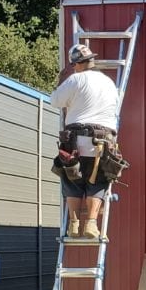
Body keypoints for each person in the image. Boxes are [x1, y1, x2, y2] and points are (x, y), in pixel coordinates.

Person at [50, 44, 119, 239]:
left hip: (76, 139)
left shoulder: (75, 80)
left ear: (77, 64)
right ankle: (91, 224)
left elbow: (54, 101)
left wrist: (61, 83)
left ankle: (73, 225)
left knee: (71, 177)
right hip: (103, 141)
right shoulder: (109, 83)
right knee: (98, 179)